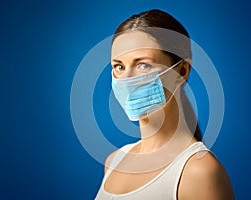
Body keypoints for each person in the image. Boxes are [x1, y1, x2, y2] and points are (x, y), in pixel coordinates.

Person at [95, 9, 234, 200]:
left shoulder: (199, 171)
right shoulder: (113, 161)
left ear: (182, 71)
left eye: (143, 65)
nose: (126, 80)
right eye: (119, 66)